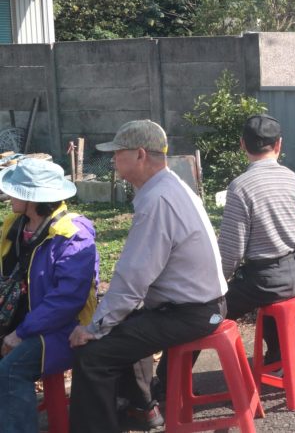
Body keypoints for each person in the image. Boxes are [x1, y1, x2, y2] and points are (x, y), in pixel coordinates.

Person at [69, 120, 227, 432]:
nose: (114, 160)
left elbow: (132, 278)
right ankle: (142, 409)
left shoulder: (158, 200)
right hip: (197, 304)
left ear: (140, 154)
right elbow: (136, 280)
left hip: (191, 311)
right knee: (123, 320)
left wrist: (94, 328)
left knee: (93, 355)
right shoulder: (170, 186)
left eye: (118, 153)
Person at [0, 160, 97, 433]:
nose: (8, 195)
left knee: (11, 370)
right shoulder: (15, 225)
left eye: (15, 190)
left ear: (33, 198)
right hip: (19, 320)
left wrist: (20, 333)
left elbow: (66, 301)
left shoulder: (73, 234)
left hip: (63, 330)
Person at [216, 115, 295, 367]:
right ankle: (278, 358)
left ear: (242, 144)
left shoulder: (240, 187)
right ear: (279, 144)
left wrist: (214, 285)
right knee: (265, 295)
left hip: (266, 280)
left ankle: (167, 381)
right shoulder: (291, 177)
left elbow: (231, 252)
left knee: (204, 314)